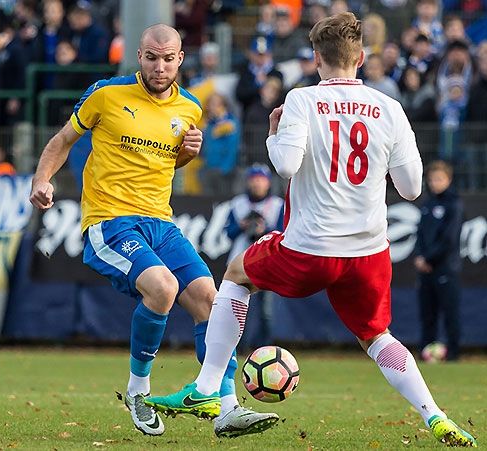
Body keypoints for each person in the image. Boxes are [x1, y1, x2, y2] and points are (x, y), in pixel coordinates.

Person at [146, 13, 476, 447]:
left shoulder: (302, 100)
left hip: (311, 246)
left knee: (235, 276)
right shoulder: (390, 108)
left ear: (317, 57)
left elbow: (285, 166)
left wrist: (271, 134)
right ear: (360, 58)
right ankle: (435, 416)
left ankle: (207, 387)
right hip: (368, 252)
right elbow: (413, 189)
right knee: (377, 337)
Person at [29, 24, 276, 438]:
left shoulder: (190, 108)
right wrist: (41, 180)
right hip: (109, 220)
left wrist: (184, 155)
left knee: (210, 301)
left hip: (160, 222)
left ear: (181, 59)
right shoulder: (107, 95)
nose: (159, 67)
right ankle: (138, 392)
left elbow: (164, 162)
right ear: (138, 57)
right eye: (151, 58)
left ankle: (227, 407)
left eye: (168, 59)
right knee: (161, 288)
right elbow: (62, 140)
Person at [226, 163, 283, 351]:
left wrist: (264, 230)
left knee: (266, 310)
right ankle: (238, 348)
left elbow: (284, 233)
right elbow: (229, 233)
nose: (257, 183)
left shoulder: (277, 204)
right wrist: (242, 226)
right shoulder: (238, 203)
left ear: (268, 183)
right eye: (254, 179)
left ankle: (263, 349)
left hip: (267, 262)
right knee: (239, 308)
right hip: (240, 262)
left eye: (261, 179)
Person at [414, 161, 463, 362]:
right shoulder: (427, 204)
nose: (435, 183)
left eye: (439, 179)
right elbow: (420, 234)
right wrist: (419, 256)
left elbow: (449, 239)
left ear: (448, 180)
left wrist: (429, 258)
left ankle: (453, 354)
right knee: (427, 313)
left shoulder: (454, 204)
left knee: (449, 311)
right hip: (425, 269)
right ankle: (426, 350)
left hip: (446, 268)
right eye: (432, 179)